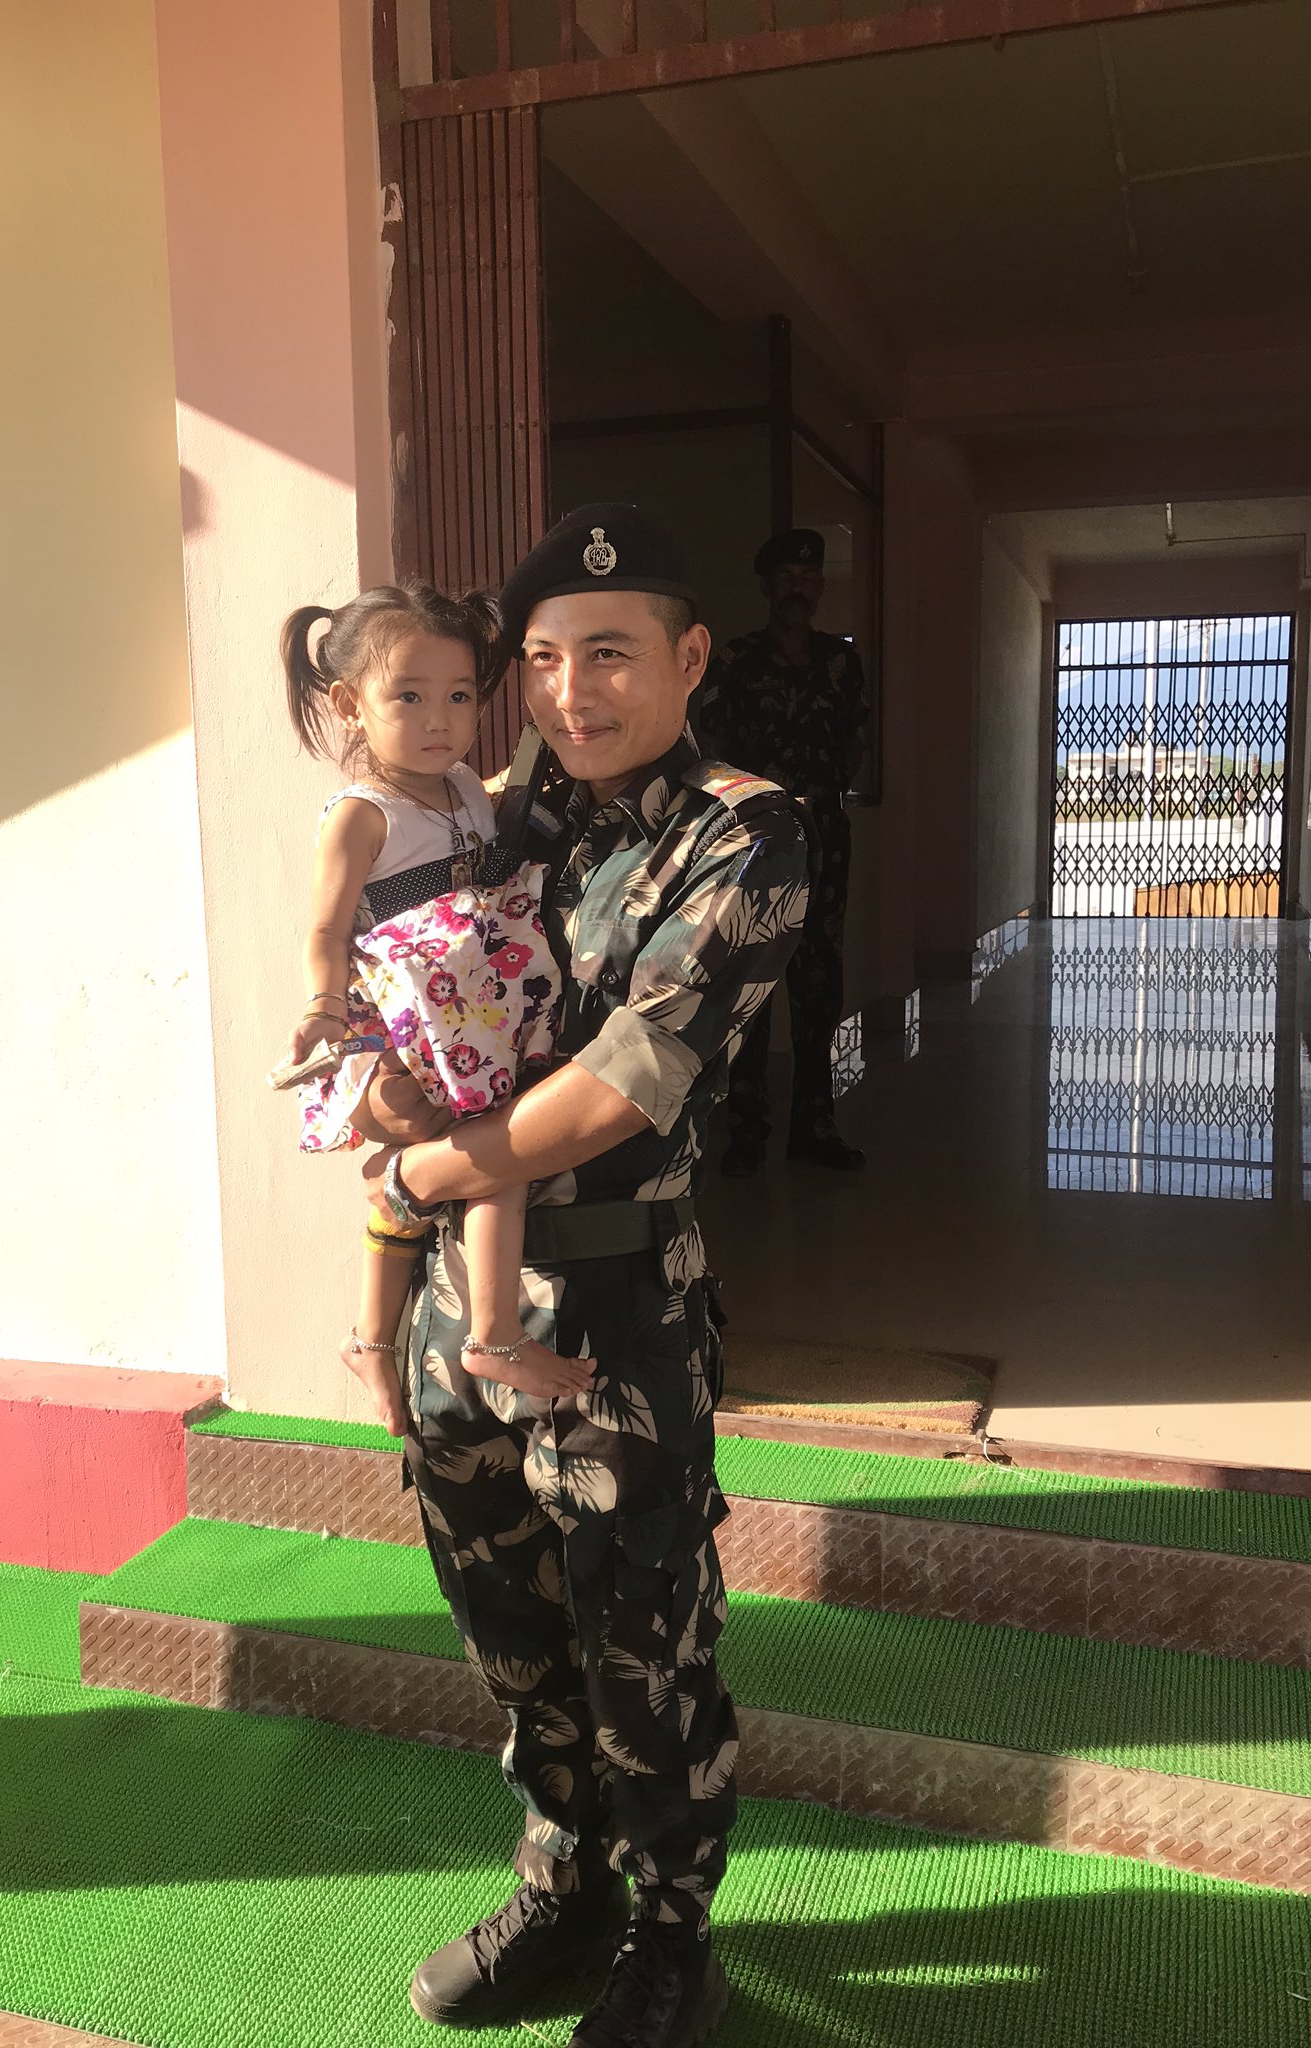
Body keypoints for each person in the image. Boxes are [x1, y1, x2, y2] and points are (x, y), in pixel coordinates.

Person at [362, 504, 809, 2046]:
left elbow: (623, 1084)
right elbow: (397, 981)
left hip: (618, 1313)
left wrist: (423, 1172)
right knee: (509, 1628)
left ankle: (673, 1938)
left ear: (691, 660)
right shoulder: (491, 817)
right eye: (544, 661)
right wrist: (368, 1076)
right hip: (458, 1313)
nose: (570, 692)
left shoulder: (745, 835)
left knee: (642, 1648)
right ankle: (565, 1888)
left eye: (609, 655)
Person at [270, 580, 593, 1426]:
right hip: (399, 1028)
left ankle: (375, 1342)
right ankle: (490, 1334)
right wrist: (321, 1008)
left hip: (471, 1019)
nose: (440, 719)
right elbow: (326, 928)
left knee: (444, 1174)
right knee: (494, 1161)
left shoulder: (465, 789)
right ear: (349, 704)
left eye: (458, 696)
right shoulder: (361, 815)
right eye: (408, 697)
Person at [695, 527, 869, 1175]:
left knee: (819, 984)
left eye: (809, 578)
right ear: (768, 587)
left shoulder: (841, 663)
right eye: (787, 578)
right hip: (755, 847)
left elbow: (855, 743)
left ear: (820, 587)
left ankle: (815, 1125)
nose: (799, 588)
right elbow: (711, 749)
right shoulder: (737, 662)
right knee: (750, 982)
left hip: (824, 844)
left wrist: (818, 799)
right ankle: (747, 1130)